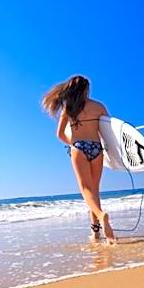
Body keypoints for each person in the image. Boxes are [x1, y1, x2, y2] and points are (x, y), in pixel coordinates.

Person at [42, 75, 116, 244]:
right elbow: (109, 132)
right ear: (86, 89)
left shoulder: (69, 108)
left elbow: (59, 134)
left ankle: (101, 215)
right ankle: (96, 232)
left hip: (79, 148)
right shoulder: (99, 106)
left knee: (85, 188)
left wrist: (75, 144)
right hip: (97, 149)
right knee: (94, 190)